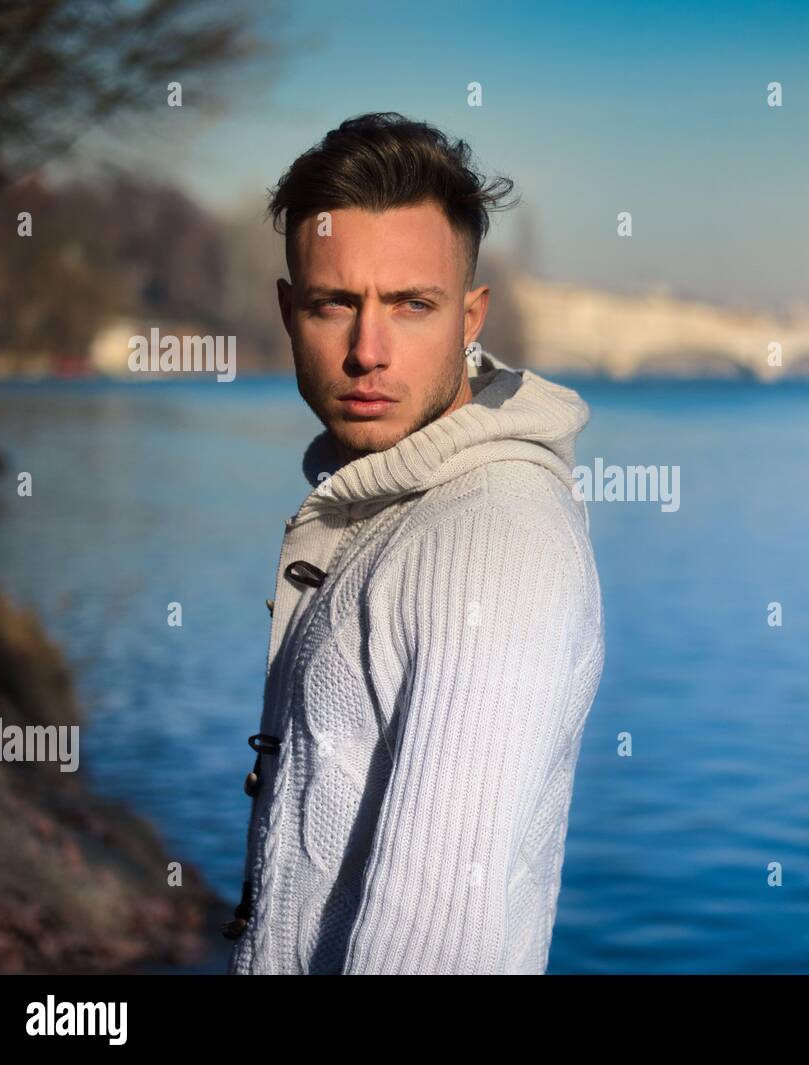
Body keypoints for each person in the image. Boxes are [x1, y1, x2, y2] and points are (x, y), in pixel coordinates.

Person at [224, 112, 605, 974]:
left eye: (411, 305)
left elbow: (436, 946)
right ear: (289, 312)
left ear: (471, 317)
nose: (368, 351)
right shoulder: (394, 505)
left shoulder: (491, 541)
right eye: (335, 304)